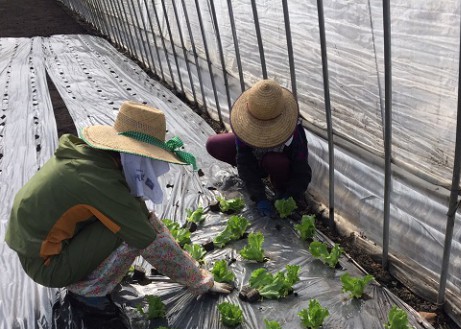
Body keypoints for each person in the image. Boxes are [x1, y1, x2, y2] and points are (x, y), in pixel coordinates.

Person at [5, 100, 231, 312]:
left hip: (43, 248)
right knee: (130, 235)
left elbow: (139, 213)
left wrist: (155, 230)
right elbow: (146, 236)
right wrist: (199, 280)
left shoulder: (94, 160)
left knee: (133, 223)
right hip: (48, 265)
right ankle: (88, 291)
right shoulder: (98, 181)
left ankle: (89, 271)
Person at [206, 79, 312, 217]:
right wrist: (259, 196)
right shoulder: (245, 127)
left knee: (275, 161)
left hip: (276, 163)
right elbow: (244, 160)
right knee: (214, 144)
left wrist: (290, 195)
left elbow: (302, 170)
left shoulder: (295, 132)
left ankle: (280, 188)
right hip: (256, 158)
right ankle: (256, 174)